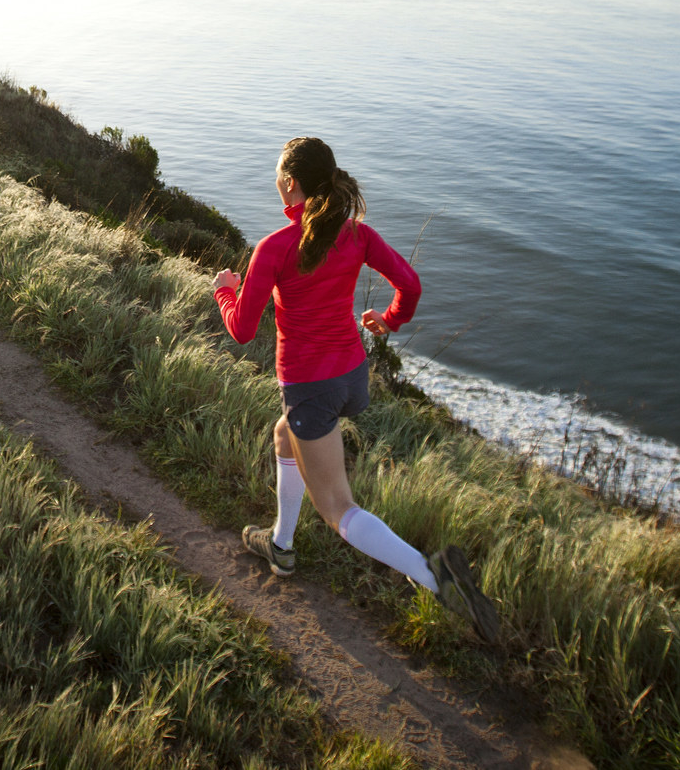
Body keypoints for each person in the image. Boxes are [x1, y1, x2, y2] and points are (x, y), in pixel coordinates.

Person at [212, 136, 499, 642]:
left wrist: (224, 290)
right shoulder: (357, 236)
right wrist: (388, 321)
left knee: (338, 508)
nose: (276, 179)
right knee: (286, 437)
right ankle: (280, 545)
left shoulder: (276, 248)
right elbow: (410, 285)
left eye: (279, 174)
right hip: (352, 377)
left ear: (292, 184)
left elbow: (240, 330)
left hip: (312, 387)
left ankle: (435, 577)